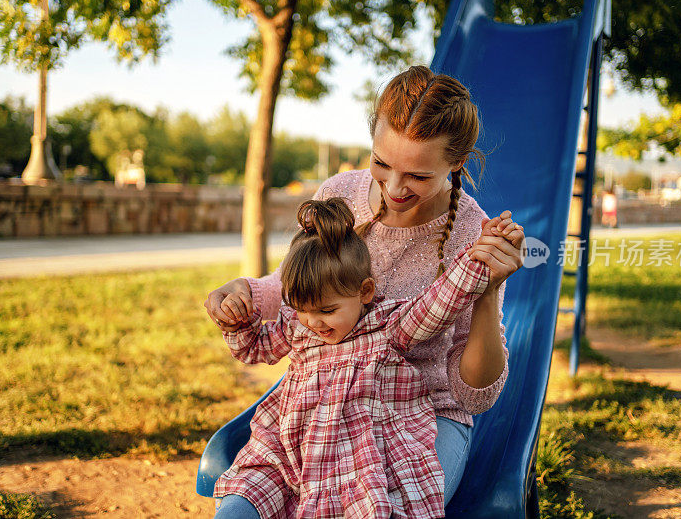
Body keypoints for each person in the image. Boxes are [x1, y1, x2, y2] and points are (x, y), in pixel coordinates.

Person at [205, 65, 526, 516]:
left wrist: (488, 293)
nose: (394, 188)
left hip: (421, 416)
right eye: (381, 162)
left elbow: (476, 396)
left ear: (456, 163)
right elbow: (297, 288)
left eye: (417, 175)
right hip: (320, 400)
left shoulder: (472, 232)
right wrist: (242, 294)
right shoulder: (340, 193)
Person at [212, 198, 522, 519]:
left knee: (371, 507)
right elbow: (254, 349)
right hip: (288, 447)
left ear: (365, 291)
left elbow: (435, 304)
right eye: (302, 308)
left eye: (327, 310)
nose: (313, 322)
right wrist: (238, 320)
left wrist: (479, 258)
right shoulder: (296, 323)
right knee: (238, 503)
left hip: (357, 453)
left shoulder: (386, 326)